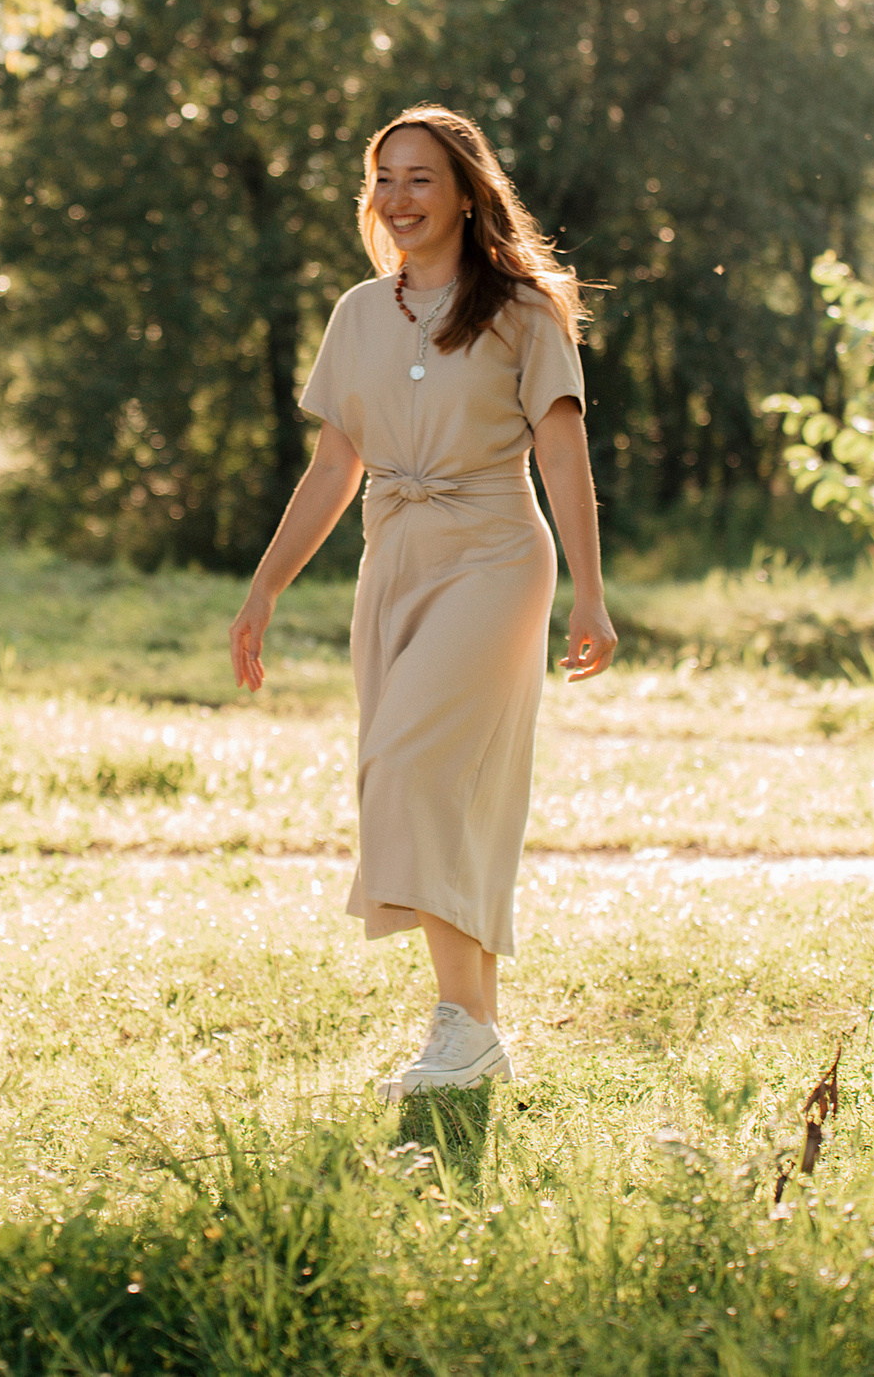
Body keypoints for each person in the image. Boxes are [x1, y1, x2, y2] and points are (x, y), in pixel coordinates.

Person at [228, 105, 616, 1100]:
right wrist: (264, 589)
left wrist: (590, 595)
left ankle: (462, 1022)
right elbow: (334, 465)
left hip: (493, 554)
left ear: (463, 192)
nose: (397, 199)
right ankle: (473, 1033)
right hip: (392, 557)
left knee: (412, 763)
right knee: (435, 784)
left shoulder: (525, 310)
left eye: (419, 179)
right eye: (383, 180)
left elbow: (562, 452)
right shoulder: (360, 311)